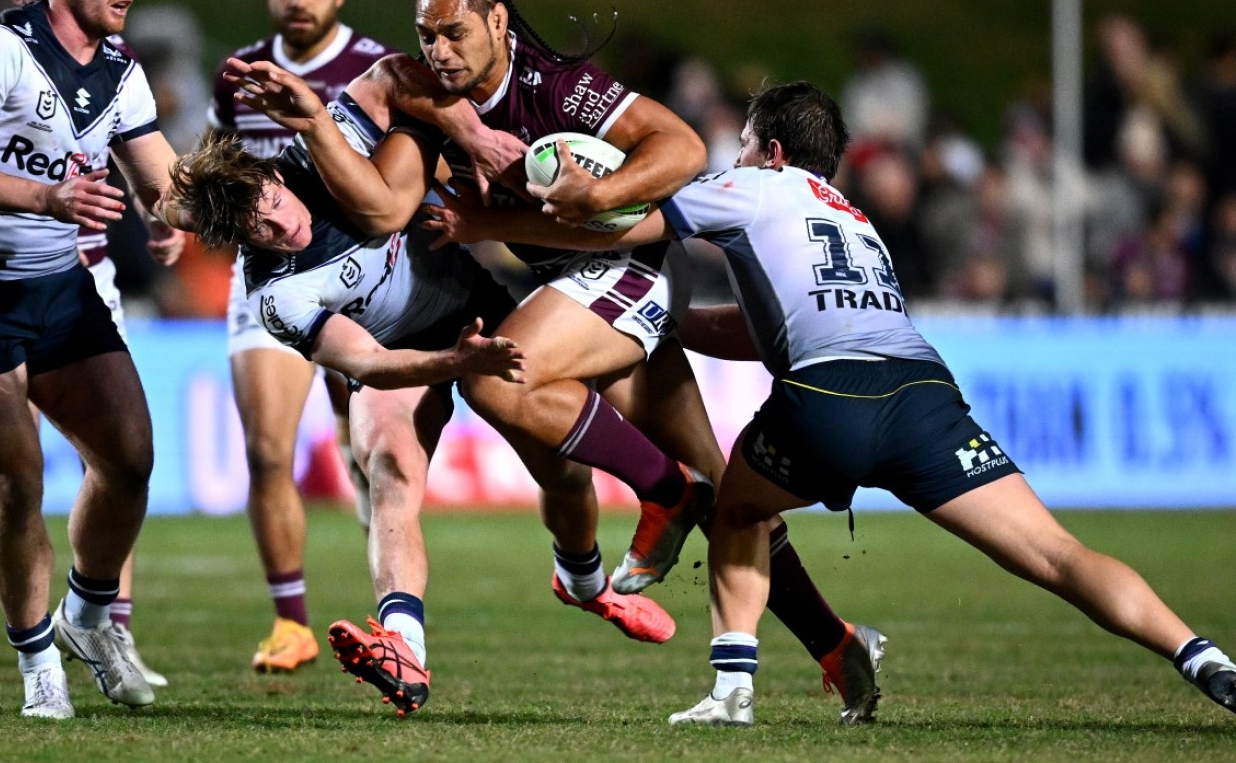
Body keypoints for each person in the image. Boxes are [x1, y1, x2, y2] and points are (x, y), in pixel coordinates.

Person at [424, 79, 1236, 725]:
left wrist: (487, 223)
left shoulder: (750, 189)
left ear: (769, 150)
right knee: (1056, 554)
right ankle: (1200, 655)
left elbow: (616, 232)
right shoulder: (857, 220)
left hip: (830, 395)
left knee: (734, 509)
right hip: (922, 392)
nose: (731, 157)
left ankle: (732, 690)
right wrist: (672, 323)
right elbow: (766, 327)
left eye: (741, 143)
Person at [367, 0, 887, 724]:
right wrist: (461, 131)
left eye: (453, 32)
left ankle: (665, 494)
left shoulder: (556, 88)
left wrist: (596, 194)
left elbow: (677, 148)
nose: (437, 49)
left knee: (496, 378)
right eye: (427, 34)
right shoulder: (440, 92)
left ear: (498, 24)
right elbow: (388, 77)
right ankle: (839, 645)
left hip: (624, 269)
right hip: (582, 290)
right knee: (730, 500)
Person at [201, 54, 679, 716]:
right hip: (404, 358)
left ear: (275, 177)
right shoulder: (278, 295)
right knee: (390, 467)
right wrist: (457, 363)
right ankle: (402, 647)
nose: (283, 224)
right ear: (240, 241)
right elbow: (365, 364)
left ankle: (585, 582)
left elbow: (395, 75)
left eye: (274, 203)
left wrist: (476, 139)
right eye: (261, 228)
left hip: (479, 313)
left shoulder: (321, 157)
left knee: (564, 475)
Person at [0, 0, 186, 718]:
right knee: (18, 478)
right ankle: (39, 663)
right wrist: (49, 196)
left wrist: (196, 207)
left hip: (60, 289)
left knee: (130, 460)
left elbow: (160, 177)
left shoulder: (120, 67)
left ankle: (89, 612)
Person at [206, 0, 401, 674]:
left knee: (370, 456)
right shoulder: (237, 75)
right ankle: (290, 623)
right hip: (265, 281)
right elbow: (219, 170)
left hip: (358, 275)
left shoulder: (374, 68)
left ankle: (395, 618)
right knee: (264, 450)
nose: (299, 0)